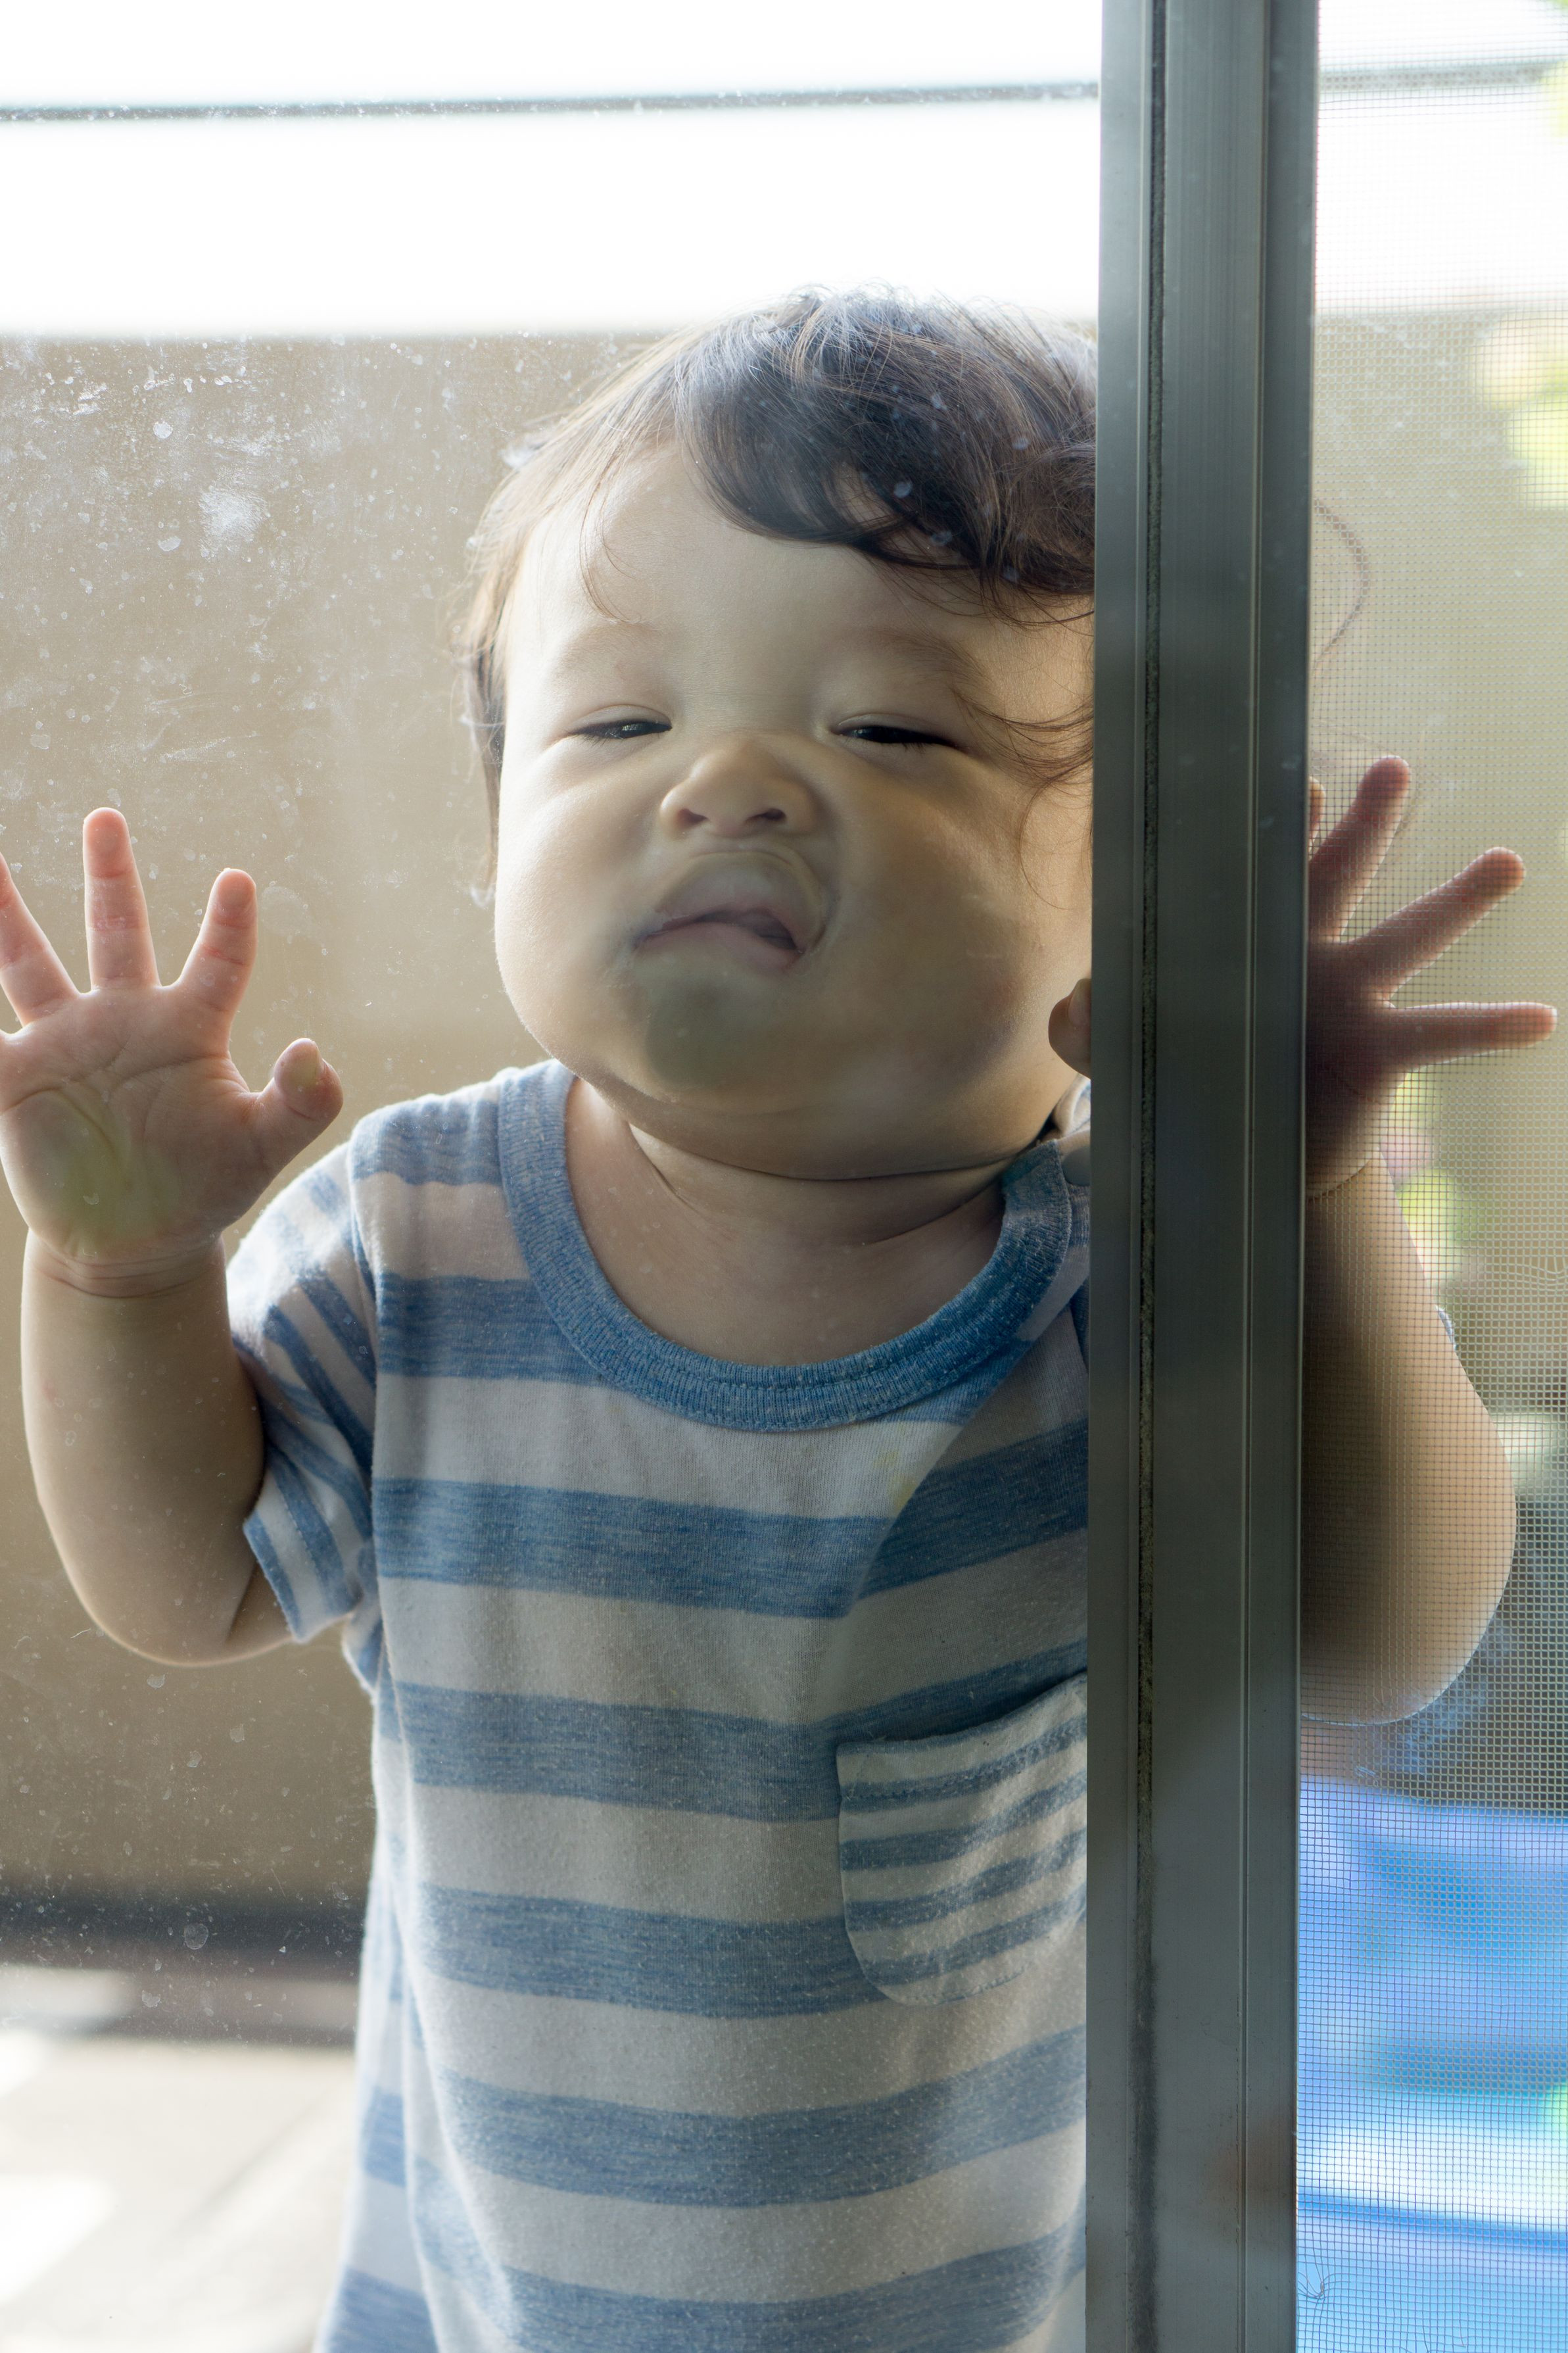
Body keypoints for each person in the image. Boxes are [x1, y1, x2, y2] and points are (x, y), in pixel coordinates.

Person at [0, 291, 1553, 2352]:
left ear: (1147, 882)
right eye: (616, 727)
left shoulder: (1116, 1273)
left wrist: (1308, 1187)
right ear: (498, 823)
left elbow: (1378, 1634)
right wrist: (121, 1274)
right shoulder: (420, 1228)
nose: (725, 783)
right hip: (494, 2307)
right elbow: (187, 1578)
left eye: (892, 728)